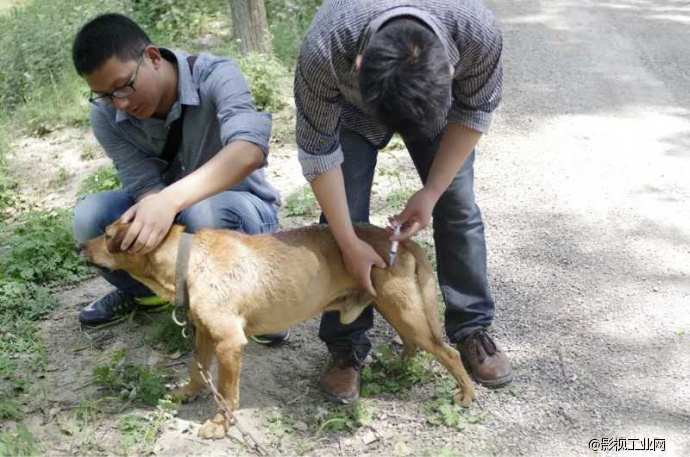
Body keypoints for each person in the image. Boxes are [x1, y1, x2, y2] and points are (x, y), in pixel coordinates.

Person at [294, 0, 513, 402]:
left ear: (450, 71)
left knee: (457, 205)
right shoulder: (325, 46)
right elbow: (318, 151)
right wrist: (346, 241)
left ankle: (470, 327)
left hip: (433, 111)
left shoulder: (476, 31)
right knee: (343, 215)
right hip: (350, 115)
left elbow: (475, 109)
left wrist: (431, 192)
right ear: (358, 65)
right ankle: (347, 344)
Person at [71, 13, 287, 344]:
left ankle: (253, 304)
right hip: (172, 221)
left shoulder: (217, 75)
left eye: (124, 86)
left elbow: (249, 150)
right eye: (105, 95)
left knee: (205, 212)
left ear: (153, 57)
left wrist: (169, 201)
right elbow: (141, 182)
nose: (121, 104)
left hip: (239, 213)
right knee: (91, 216)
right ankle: (149, 293)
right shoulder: (105, 114)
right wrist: (152, 206)